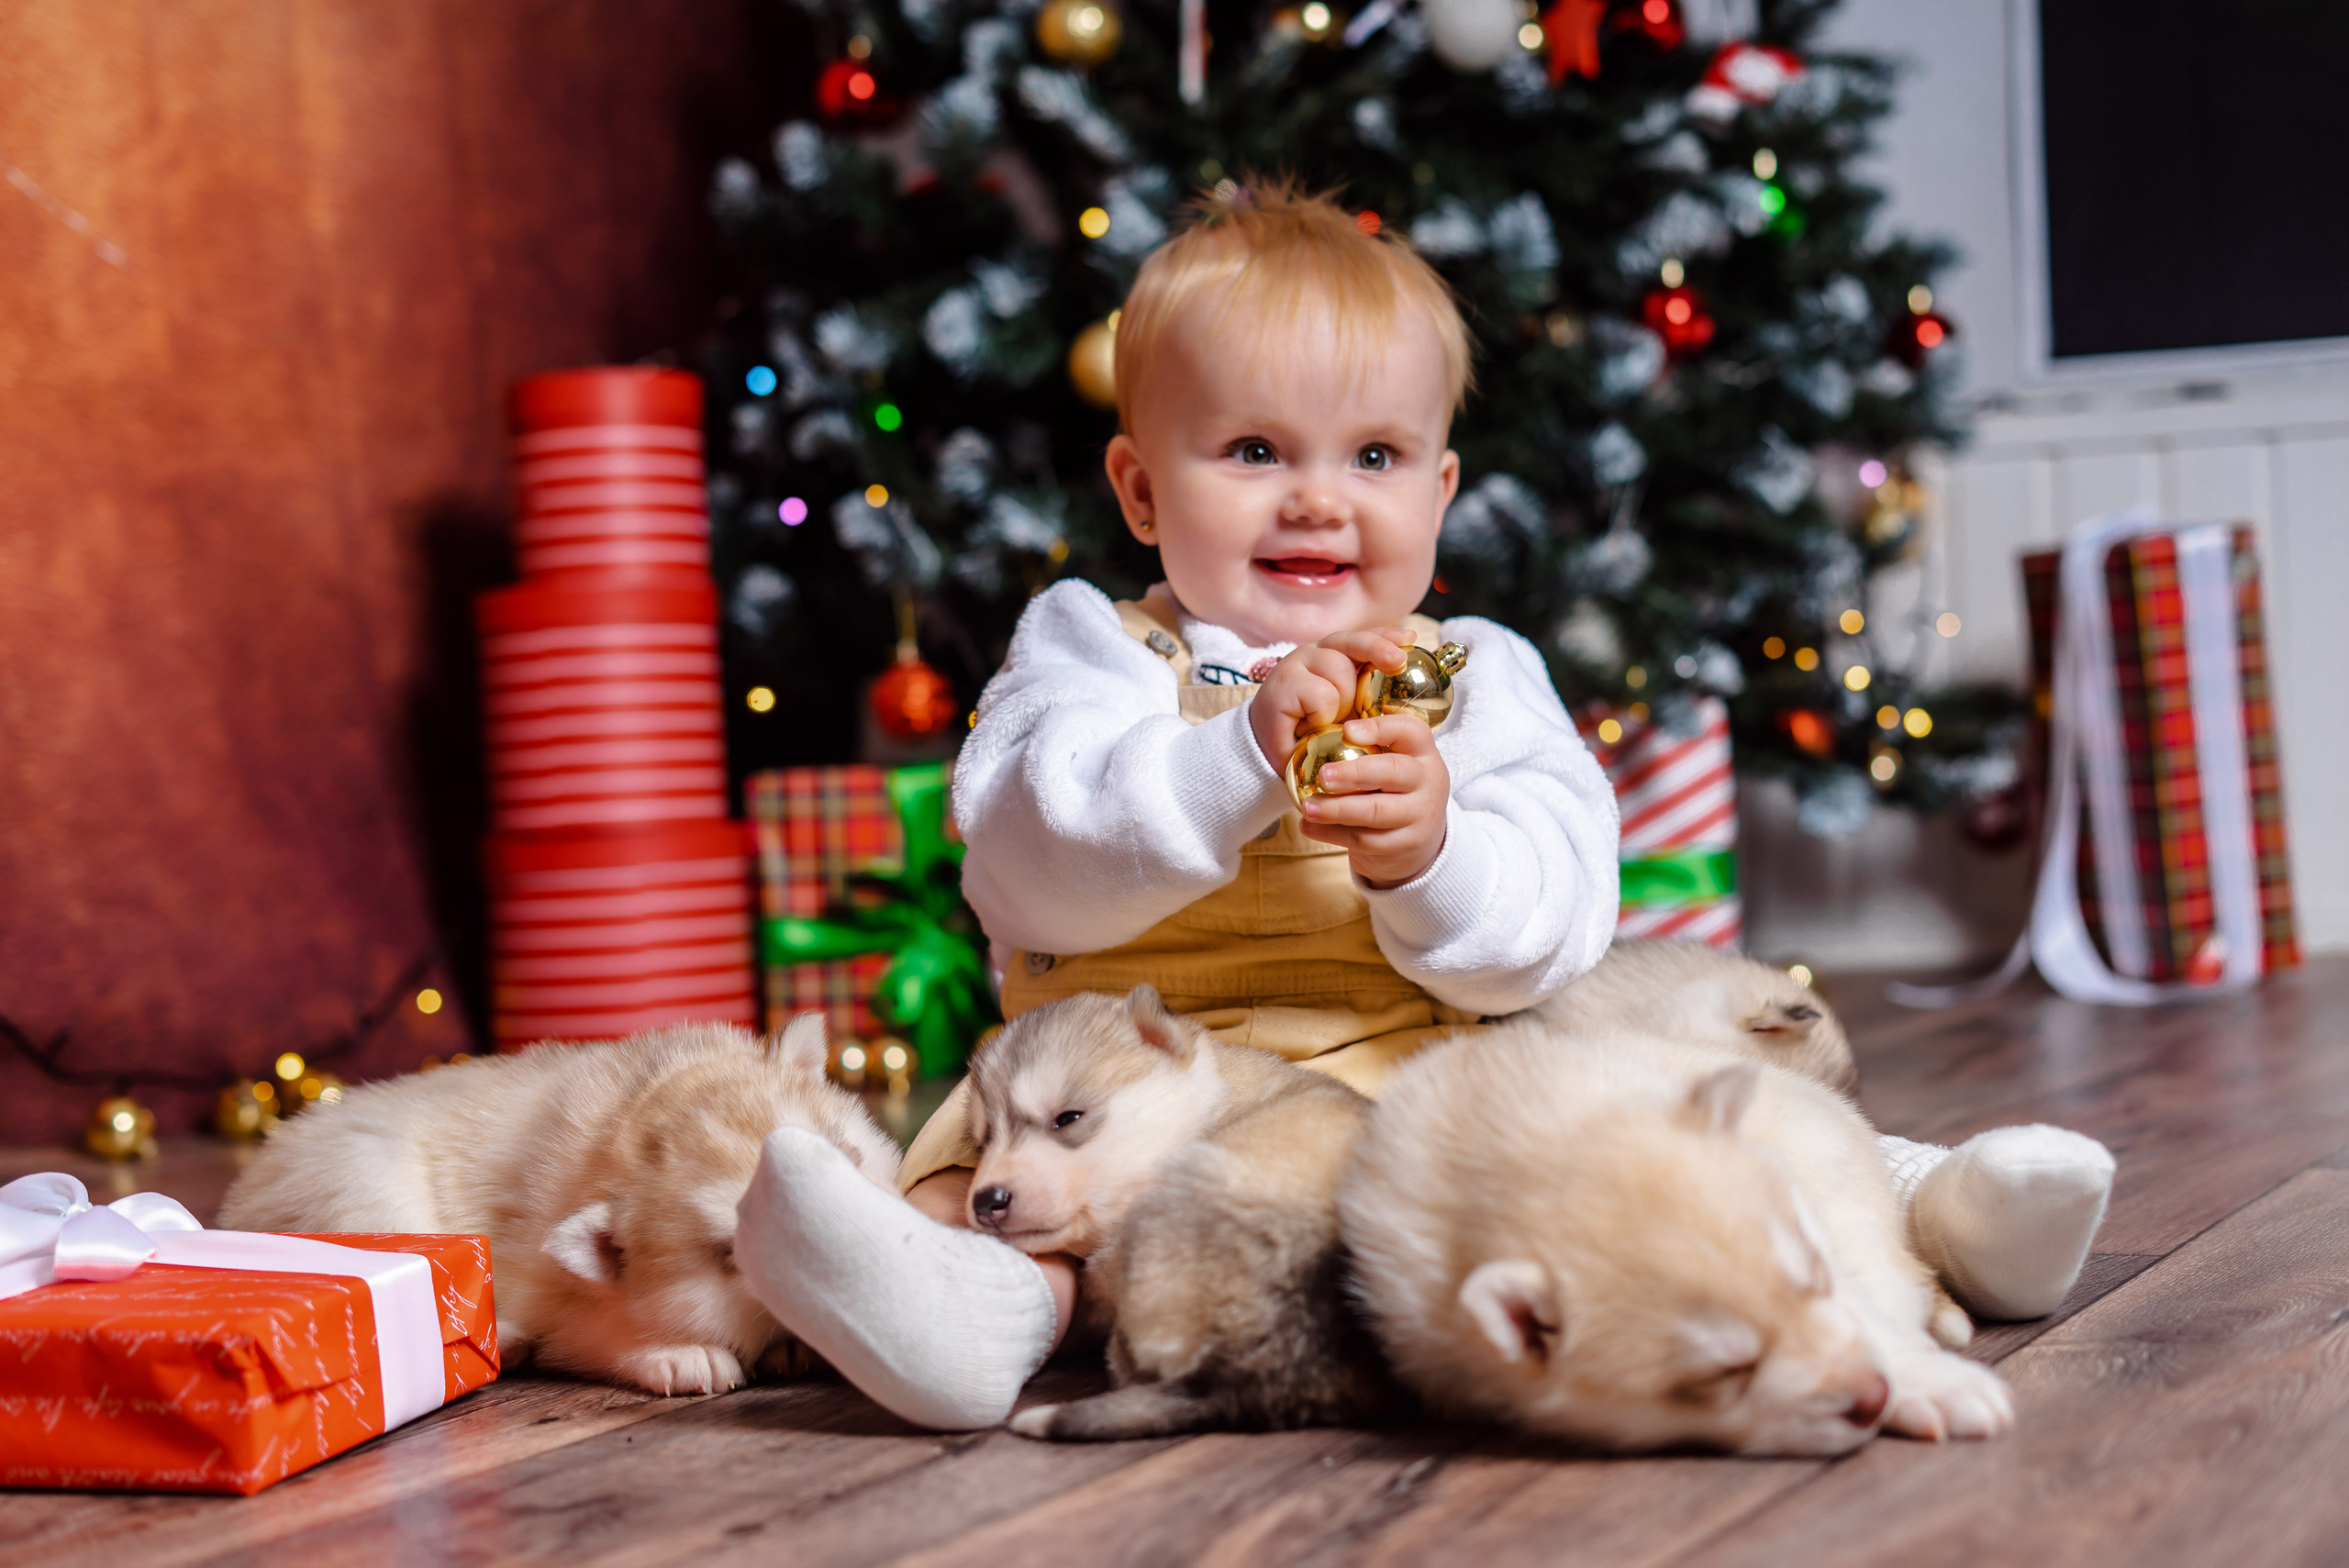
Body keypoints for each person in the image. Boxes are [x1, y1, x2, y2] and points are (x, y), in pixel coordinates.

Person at [734, 180, 2112, 1431]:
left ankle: (1932, 1205)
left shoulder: (1479, 676)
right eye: (1255, 450)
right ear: (1143, 490)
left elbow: (1556, 929)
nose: (1318, 501)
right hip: (1102, 1114)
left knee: (1655, 1140)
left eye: (1377, 458)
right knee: (982, 1208)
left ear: (1442, 491)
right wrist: (1234, 762)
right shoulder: (1093, 650)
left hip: (1396, 1091)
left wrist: (1436, 855)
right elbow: (1022, 862)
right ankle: (973, 1316)